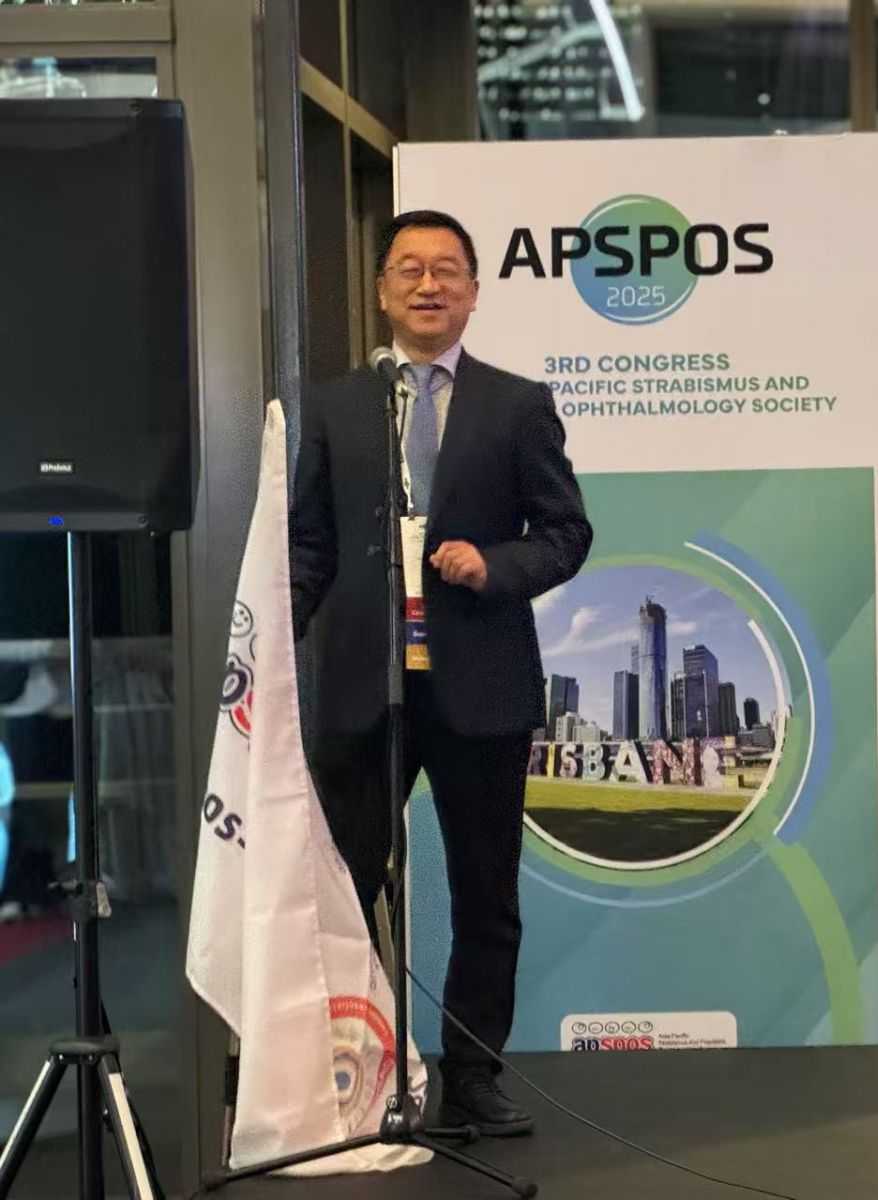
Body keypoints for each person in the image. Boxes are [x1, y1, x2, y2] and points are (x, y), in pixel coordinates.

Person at [289, 209, 592, 1136]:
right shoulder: (336, 407)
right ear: (383, 290)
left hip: (481, 687)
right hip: (363, 687)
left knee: (485, 896)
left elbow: (566, 533)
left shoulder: (518, 404)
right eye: (410, 270)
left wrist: (493, 567)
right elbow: (309, 547)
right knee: (346, 890)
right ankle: (352, 1078)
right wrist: (266, 645)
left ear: (472, 292)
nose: (429, 285)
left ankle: (471, 1080)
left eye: (447, 270)